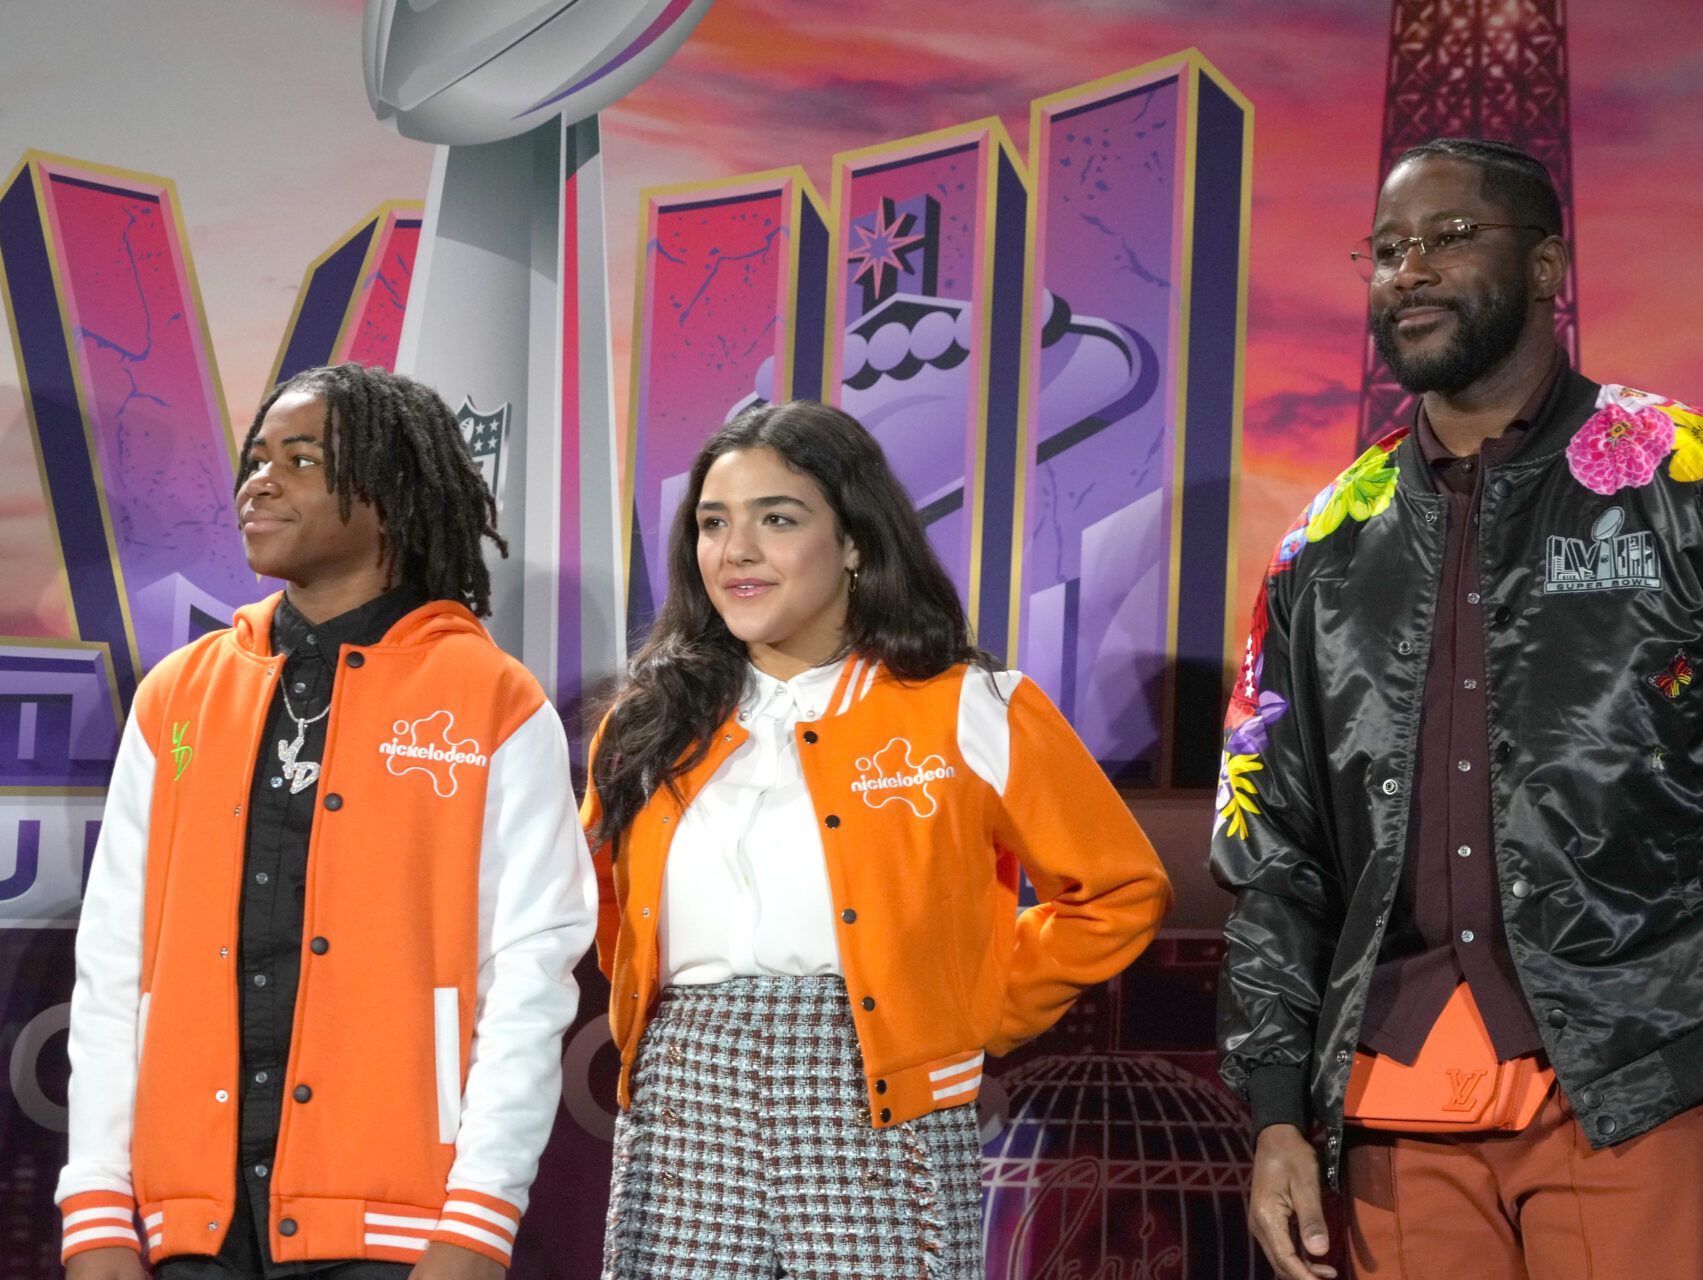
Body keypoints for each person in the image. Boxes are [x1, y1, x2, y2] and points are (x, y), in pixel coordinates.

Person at [1212, 137, 1703, 1280]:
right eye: (1386, 250)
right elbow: (1276, 849)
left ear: (1547, 266)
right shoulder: (1326, 545)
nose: (1411, 271)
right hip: (1393, 1100)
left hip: (1636, 1072)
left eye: (1448, 238)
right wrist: (1277, 1105)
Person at [582, 400, 1171, 1279]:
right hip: (683, 1092)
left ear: (855, 540)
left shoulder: (967, 705)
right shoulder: (648, 723)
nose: (735, 550)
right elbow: (606, 911)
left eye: (776, 519)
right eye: (713, 523)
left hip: (875, 1095)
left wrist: (971, 1007)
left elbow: (1119, 893)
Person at [57, 363, 596, 1279]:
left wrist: (478, 1221)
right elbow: (113, 968)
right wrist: (98, 1207)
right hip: (186, 1225)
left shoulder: (493, 700)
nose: (259, 481)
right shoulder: (176, 696)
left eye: (300, 460)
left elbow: (529, 982)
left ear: (389, 495)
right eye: (256, 458)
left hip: (400, 1230)